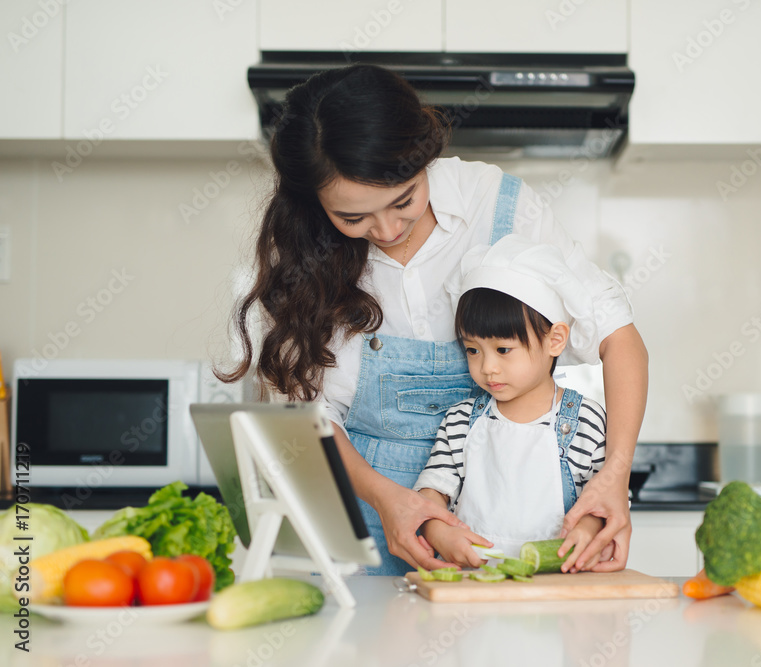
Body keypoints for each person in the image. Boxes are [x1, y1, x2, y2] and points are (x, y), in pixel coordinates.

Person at [223, 64, 648, 576]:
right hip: (359, 515)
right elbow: (306, 414)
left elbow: (617, 337)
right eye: (352, 218)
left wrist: (615, 475)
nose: (385, 229)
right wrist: (387, 499)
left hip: (487, 536)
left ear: (425, 155)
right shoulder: (299, 250)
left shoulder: (498, 207)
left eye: (403, 199)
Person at [414, 236, 609, 572]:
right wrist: (438, 532)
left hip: (558, 588)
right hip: (476, 585)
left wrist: (587, 530)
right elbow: (432, 493)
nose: (487, 367)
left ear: (555, 340)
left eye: (503, 350)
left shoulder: (585, 421)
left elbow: (603, 500)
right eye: (473, 350)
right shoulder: (461, 420)